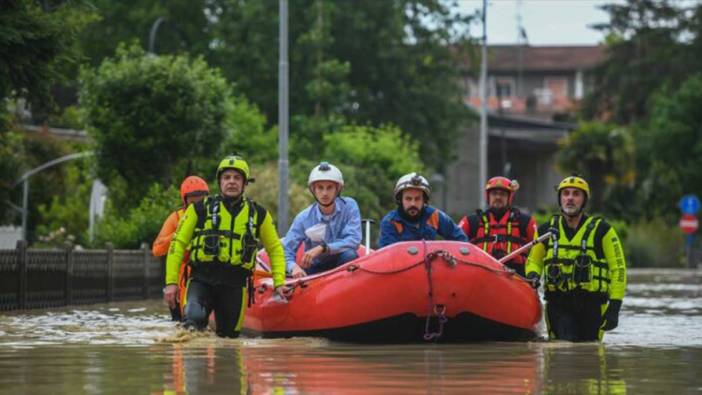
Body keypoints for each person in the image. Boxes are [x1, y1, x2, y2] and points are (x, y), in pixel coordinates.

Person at [164, 155, 287, 338]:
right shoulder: (199, 209)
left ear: (244, 184)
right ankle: (193, 363)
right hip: (201, 280)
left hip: (235, 285)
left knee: (229, 341)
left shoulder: (259, 214)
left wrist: (279, 282)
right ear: (219, 182)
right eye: (227, 177)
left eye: (237, 178)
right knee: (192, 323)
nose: (231, 182)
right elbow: (178, 244)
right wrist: (171, 283)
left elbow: (275, 249)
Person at [525, 175, 627, 342]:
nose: (570, 198)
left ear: (584, 200)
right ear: (560, 199)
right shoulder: (546, 230)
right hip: (558, 304)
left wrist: (614, 307)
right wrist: (533, 275)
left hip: (592, 305)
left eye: (576, 194)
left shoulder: (603, 230)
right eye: (565, 194)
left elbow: (618, 269)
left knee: (589, 355)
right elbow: (534, 262)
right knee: (562, 353)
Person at [283, 162, 362, 278]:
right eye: (320, 188)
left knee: (350, 255)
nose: (325, 193)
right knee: (301, 271)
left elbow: (354, 239)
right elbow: (286, 250)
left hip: (342, 265)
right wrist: (293, 267)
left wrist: (323, 248)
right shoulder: (303, 218)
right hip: (314, 269)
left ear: (338, 189)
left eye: (329, 188)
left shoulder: (350, 206)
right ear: (313, 190)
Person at [152, 175, 209, 321]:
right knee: (179, 322)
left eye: (200, 199)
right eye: (193, 200)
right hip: (181, 278)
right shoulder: (175, 218)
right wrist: (179, 234)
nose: (197, 205)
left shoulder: (214, 215)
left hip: (204, 276)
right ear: (185, 200)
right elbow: (157, 249)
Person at [458, 176, 537, 276]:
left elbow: (538, 251)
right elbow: (455, 246)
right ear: (488, 196)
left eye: (503, 194)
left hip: (515, 276)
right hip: (480, 274)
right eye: (494, 194)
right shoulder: (471, 222)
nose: (498, 197)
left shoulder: (525, 222)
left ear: (509, 198)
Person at [379, 172, 467, 247]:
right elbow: (387, 255)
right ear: (400, 200)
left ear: (424, 200)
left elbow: (461, 240)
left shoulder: (434, 216)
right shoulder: (390, 222)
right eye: (408, 199)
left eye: (417, 199)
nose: (413, 204)